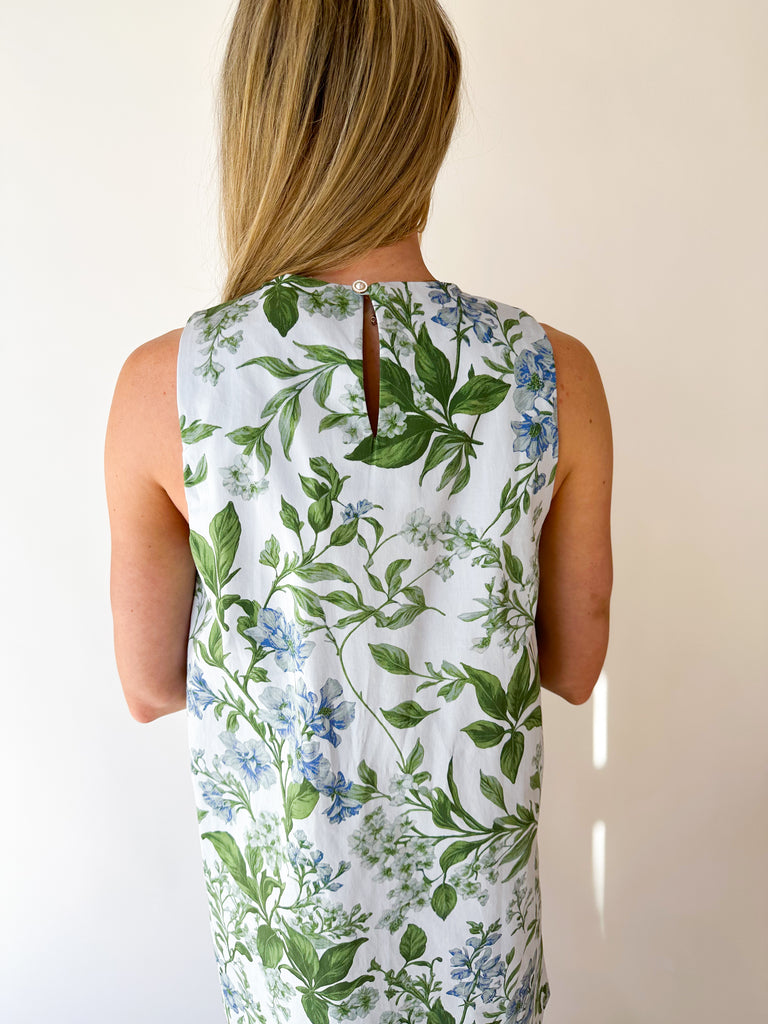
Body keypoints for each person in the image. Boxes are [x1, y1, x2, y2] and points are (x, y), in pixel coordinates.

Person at [104, 1, 613, 1021]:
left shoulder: (166, 386)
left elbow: (151, 685)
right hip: (477, 961)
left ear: (258, 119)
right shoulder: (554, 374)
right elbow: (572, 664)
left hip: (294, 963)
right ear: (430, 114)